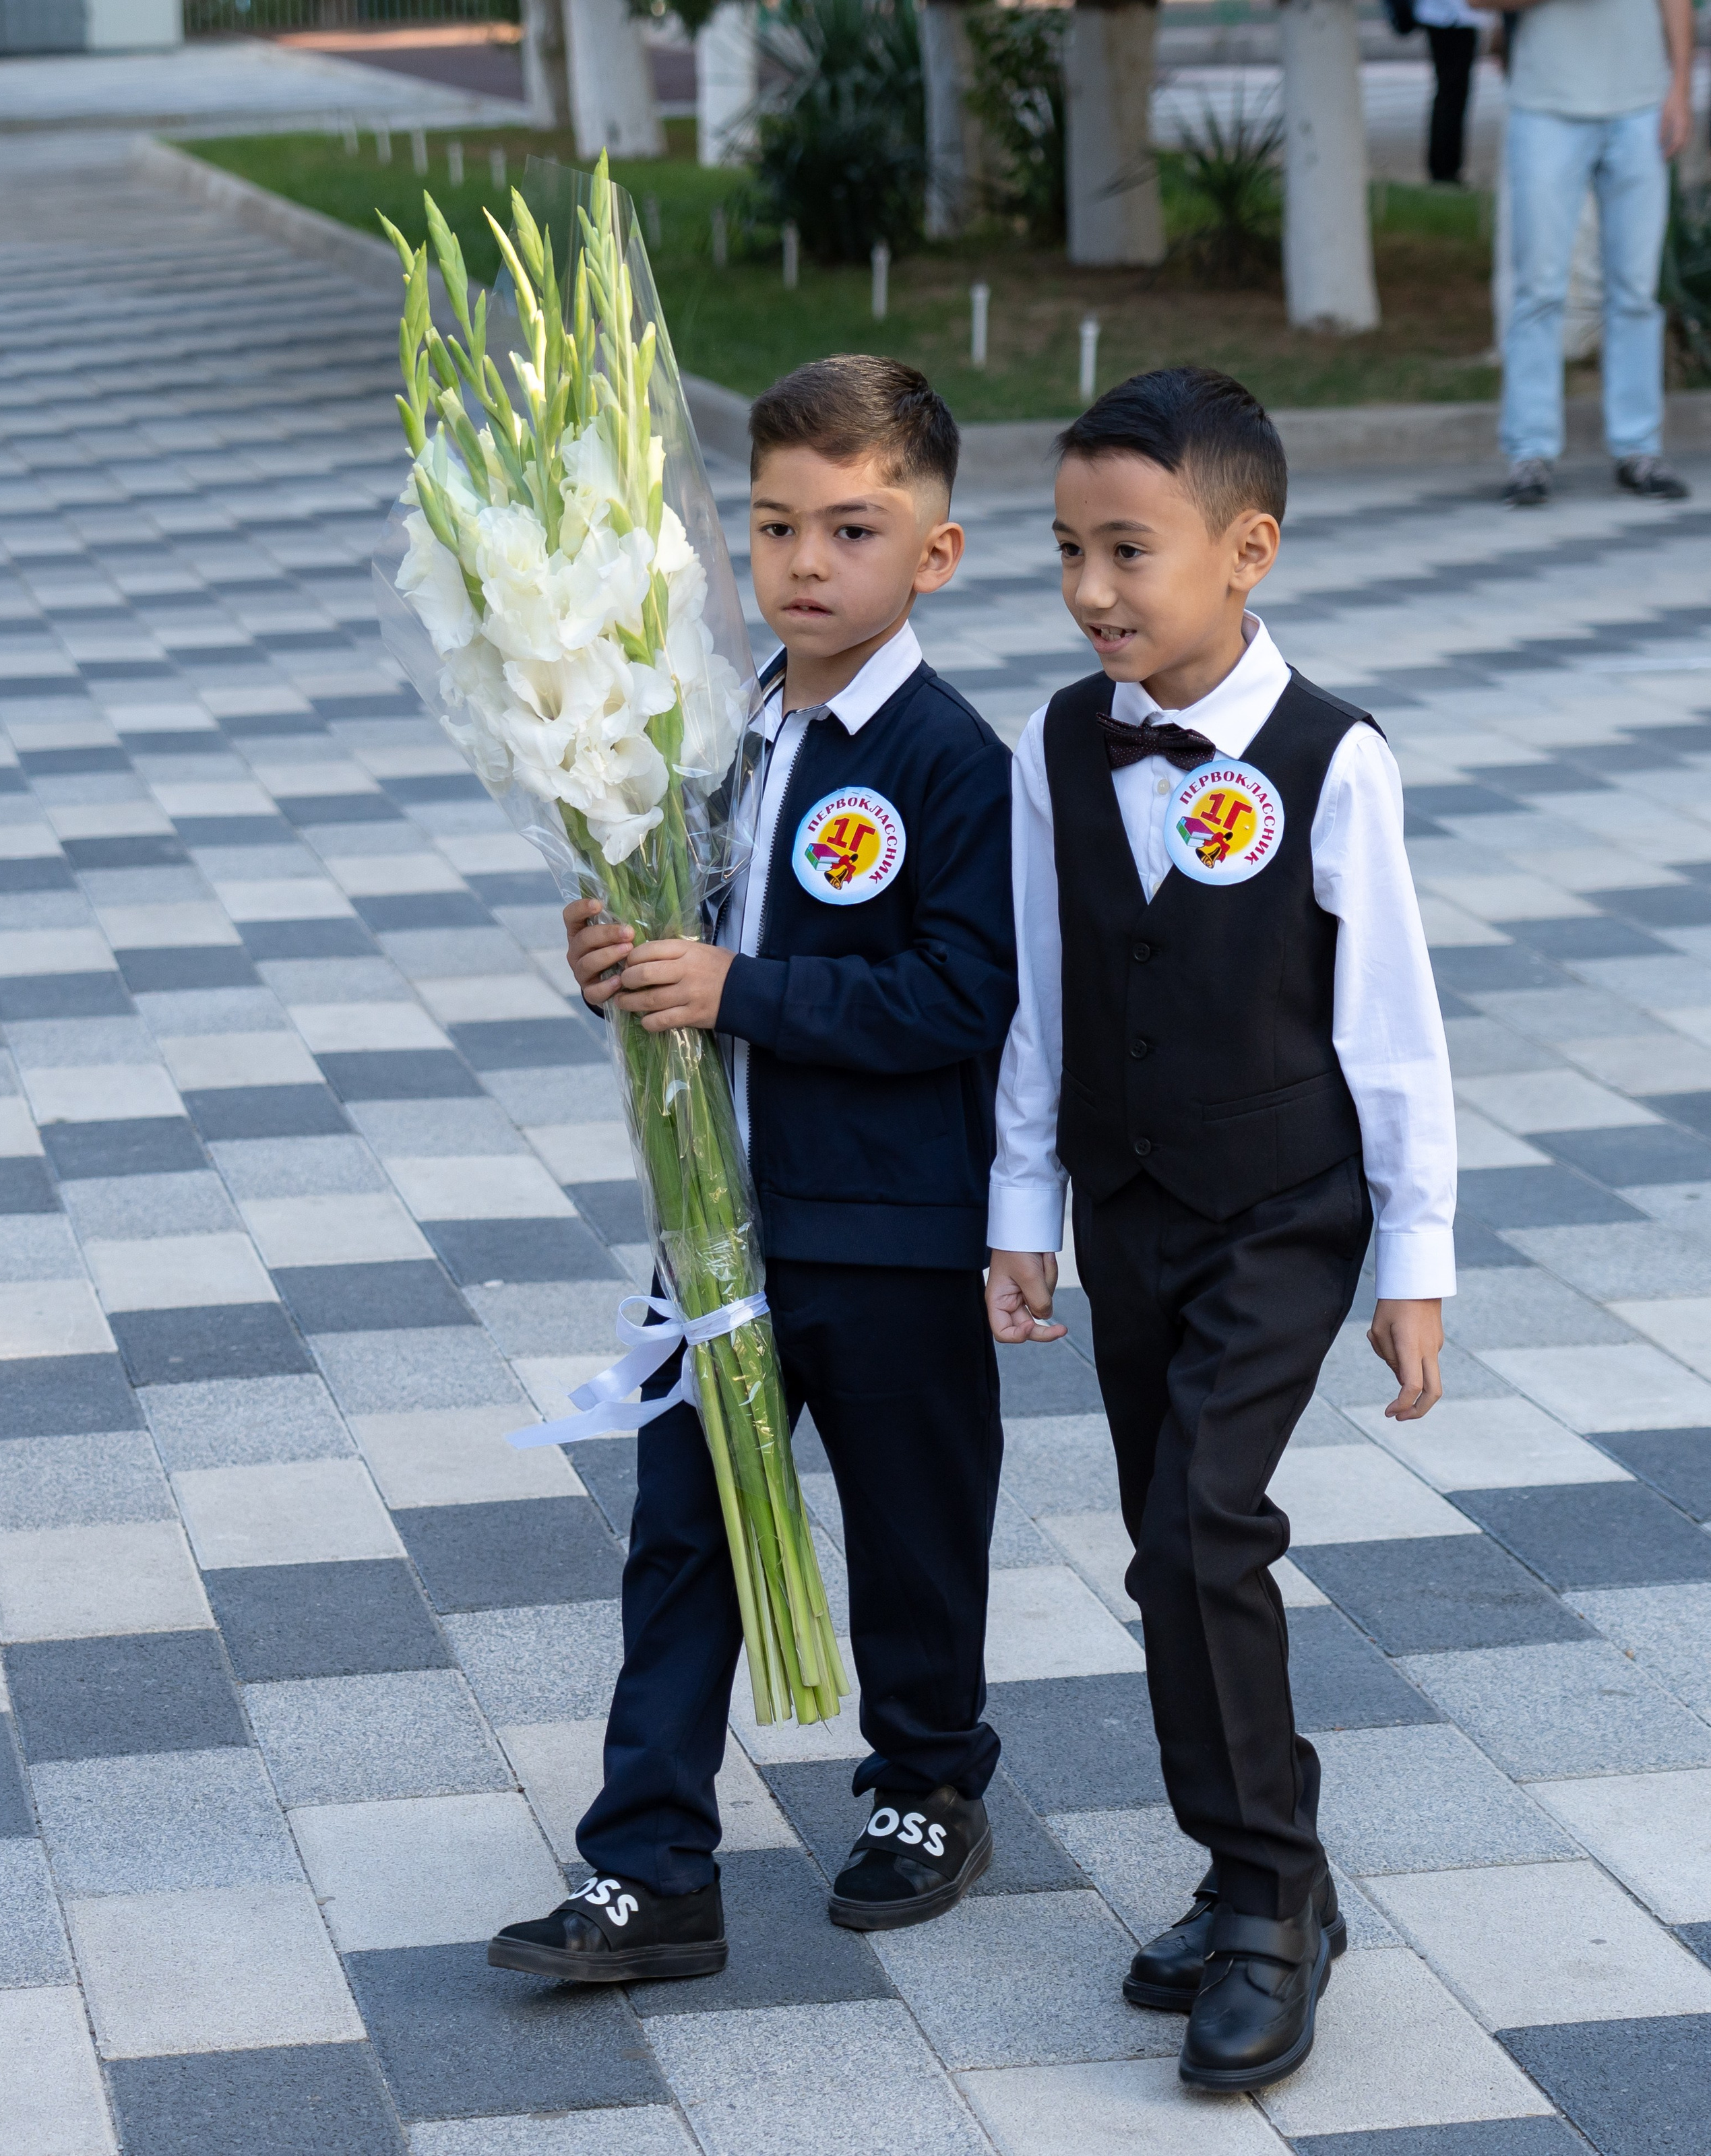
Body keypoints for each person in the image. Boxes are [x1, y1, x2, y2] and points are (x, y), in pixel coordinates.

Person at [489, 357, 1018, 1983]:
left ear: (928, 554)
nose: (804, 563)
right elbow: (697, 935)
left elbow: (960, 991)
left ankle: (926, 1781)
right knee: (681, 1534)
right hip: (721, 1227)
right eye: (775, 524)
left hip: (893, 1230)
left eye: (851, 530)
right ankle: (650, 1864)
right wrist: (627, 953)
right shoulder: (719, 734)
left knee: (915, 1523)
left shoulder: (948, 760)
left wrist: (740, 993)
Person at [987, 367, 1456, 2091]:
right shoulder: (1060, 737)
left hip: (1283, 1206)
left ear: (1244, 549)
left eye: (1128, 550)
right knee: (1156, 1540)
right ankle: (1253, 1868)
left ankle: (1270, 1903)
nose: (1091, 590)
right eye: (1064, 553)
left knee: (1203, 1519)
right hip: (1128, 1207)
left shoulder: (1333, 760)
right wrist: (1018, 1207)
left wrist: (1411, 1263)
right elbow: (1040, 987)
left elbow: (1393, 1026)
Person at [1499, 0, 1697, 507]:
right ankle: (1530, 455)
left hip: (1640, 107)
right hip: (1545, 106)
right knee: (1539, 289)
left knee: (1635, 292)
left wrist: (1679, 88)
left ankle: (1639, 450)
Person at [1414, 0, 1483, 185]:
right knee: (1452, 93)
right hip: (1452, 18)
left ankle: (1445, 165)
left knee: (1449, 92)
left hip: (1445, 16)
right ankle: (1445, 168)